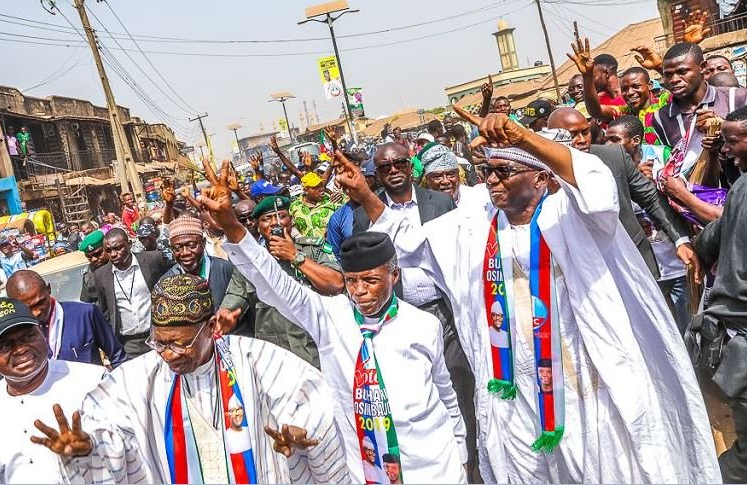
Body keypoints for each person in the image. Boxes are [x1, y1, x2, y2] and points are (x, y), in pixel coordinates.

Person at [339, 109, 720, 483]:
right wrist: (365, 194)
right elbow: (410, 243)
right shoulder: (474, 228)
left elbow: (599, 189)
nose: (491, 180)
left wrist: (522, 137)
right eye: (487, 171)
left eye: (504, 171)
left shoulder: (572, 216)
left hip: (586, 389)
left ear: (541, 177)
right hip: (515, 394)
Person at [192, 160, 469, 483]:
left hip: (433, 467)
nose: (360, 291)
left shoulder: (423, 325)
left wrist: (460, 454)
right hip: (366, 469)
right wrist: (232, 226)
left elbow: (446, 394)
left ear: (394, 276)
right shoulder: (331, 317)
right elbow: (276, 285)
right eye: (352, 281)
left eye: (370, 280)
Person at [32, 273, 348, 484]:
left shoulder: (257, 360)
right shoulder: (137, 379)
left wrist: (301, 429)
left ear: (212, 328)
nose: (168, 354)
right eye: (160, 343)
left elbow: (310, 401)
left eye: (180, 343)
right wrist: (89, 447)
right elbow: (108, 429)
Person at [351, 142, 477, 482]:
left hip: (446, 311)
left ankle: (469, 464)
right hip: (399, 318)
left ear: (412, 167)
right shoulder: (364, 215)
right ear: (375, 175)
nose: (393, 171)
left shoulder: (439, 201)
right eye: (384, 167)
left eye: (399, 163)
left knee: (458, 386)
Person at [547, 107, 698, 281]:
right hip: (583, 271)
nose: (582, 140)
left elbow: (650, 198)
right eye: (573, 135)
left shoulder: (614, 156)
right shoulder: (541, 172)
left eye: (585, 132)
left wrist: (680, 240)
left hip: (634, 261)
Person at [0, 297, 104, 483]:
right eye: (5, 345)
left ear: (41, 331)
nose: (20, 349)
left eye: (27, 337)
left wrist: (90, 449)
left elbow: (132, 451)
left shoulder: (95, 381)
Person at [689, 105, 747, 483]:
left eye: (732, 141)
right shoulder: (742, 186)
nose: (726, 150)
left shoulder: (742, 185)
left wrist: (700, 249)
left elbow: (713, 235)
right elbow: (717, 231)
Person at [605, 115, 691, 334]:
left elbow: (684, 198)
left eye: (614, 139)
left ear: (635, 140)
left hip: (678, 263)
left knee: (689, 328)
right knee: (663, 331)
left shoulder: (663, 156)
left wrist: (654, 182)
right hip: (645, 267)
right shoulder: (607, 168)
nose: (608, 145)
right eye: (607, 139)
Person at [235, 196, 343, 367]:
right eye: (266, 219)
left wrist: (294, 256)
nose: (275, 223)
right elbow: (232, 303)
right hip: (276, 357)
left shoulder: (314, 248)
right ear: (258, 225)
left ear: (291, 220)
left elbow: (336, 284)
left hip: (318, 350)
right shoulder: (252, 262)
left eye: (281, 216)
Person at [6, 270, 126, 368]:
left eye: (40, 302)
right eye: (28, 308)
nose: (37, 312)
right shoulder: (15, 334)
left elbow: (118, 357)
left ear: (48, 289)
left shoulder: (86, 314)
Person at [160, 215, 250, 335]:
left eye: (192, 245)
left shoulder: (226, 269)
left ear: (202, 243)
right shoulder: (167, 282)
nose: (185, 253)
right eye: (177, 248)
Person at [653, 42, 746, 152]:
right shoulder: (661, 118)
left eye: (682, 72)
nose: (674, 79)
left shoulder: (736, 97)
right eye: (668, 75)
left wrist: (725, 128)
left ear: (702, 67)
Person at [92, 228, 171, 358]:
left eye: (118, 248)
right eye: (108, 251)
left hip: (158, 336)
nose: (113, 254)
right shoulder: (101, 275)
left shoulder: (153, 260)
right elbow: (106, 311)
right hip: (129, 345)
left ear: (129, 244)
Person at [568, 40, 625, 127]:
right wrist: (586, 75)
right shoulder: (597, 100)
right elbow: (596, 111)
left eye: (593, 76)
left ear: (606, 74)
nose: (591, 81)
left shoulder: (630, 94)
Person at [421, 144, 477, 208]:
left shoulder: (475, 199)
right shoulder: (420, 207)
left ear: (458, 174)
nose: (445, 181)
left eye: (450, 174)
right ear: (427, 179)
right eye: (437, 176)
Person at [289, 172, 340, 239]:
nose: (321, 189)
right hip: (305, 248)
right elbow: (291, 226)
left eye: (321, 185)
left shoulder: (332, 201)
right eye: (316, 187)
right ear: (306, 190)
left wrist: (341, 194)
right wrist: (297, 236)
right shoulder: (295, 206)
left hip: (330, 247)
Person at [78, 230, 107, 303]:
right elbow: (86, 303)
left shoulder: (120, 265)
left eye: (98, 254)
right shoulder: (88, 276)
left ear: (106, 248)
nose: (94, 259)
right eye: (89, 257)